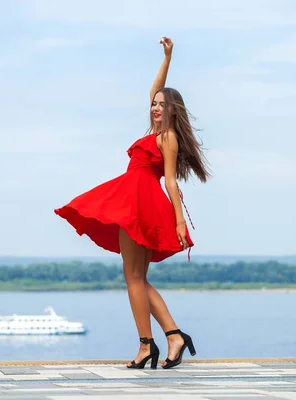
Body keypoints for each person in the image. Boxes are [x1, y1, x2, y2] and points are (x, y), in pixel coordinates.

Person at [54, 36, 211, 369]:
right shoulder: (154, 132)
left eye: (160, 104)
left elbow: (170, 180)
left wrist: (180, 221)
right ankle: (171, 337)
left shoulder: (167, 137)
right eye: (152, 103)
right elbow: (156, 87)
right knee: (136, 278)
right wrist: (167, 58)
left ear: (172, 110)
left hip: (143, 203)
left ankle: (149, 345)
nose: (154, 107)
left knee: (134, 278)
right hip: (132, 199)